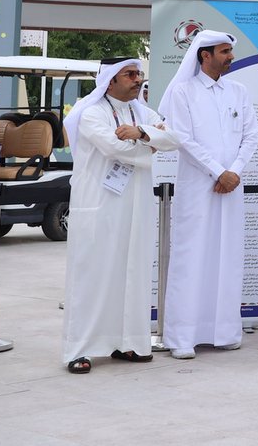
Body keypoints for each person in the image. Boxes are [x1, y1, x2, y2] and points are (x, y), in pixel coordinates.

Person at [61, 57, 180, 374]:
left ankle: (129, 343)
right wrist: (149, 145)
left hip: (136, 203)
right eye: (130, 74)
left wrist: (141, 133)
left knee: (133, 273)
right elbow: (115, 150)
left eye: (139, 74)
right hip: (99, 204)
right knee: (93, 275)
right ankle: (79, 349)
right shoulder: (91, 113)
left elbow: (174, 138)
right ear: (110, 79)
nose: (137, 79)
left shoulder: (142, 112)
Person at [158, 30, 258, 360]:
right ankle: (182, 337)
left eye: (230, 51)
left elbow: (251, 135)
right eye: (225, 51)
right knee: (192, 257)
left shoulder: (239, 91)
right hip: (198, 187)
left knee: (227, 255)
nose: (230, 56)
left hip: (231, 187)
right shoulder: (182, 92)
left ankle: (225, 331)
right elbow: (183, 139)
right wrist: (219, 171)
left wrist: (235, 172)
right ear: (205, 56)